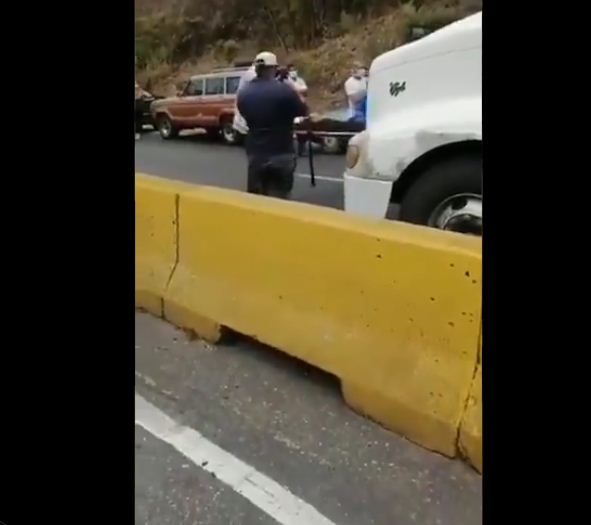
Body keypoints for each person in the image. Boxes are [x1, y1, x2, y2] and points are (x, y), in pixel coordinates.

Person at [237, 51, 309, 199]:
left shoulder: (244, 92)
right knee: (280, 197)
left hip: (256, 153)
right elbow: (303, 110)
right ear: (274, 69)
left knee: (256, 199)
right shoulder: (284, 90)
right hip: (281, 150)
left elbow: (243, 113)